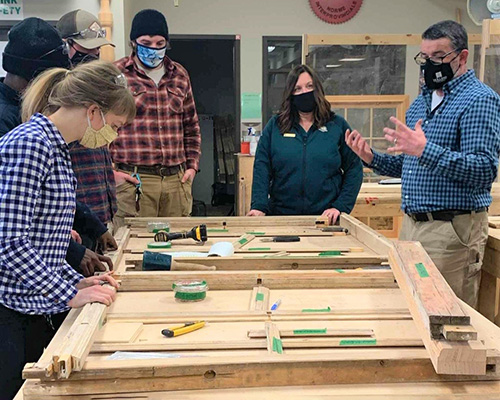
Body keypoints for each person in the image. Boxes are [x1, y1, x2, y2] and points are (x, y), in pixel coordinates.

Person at [0, 60, 135, 398]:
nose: (113, 136)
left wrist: (74, 280)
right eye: (115, 125)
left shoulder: (57, 149)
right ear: (93, 112)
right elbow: (10, 242)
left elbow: (46, 239)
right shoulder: (31, 145)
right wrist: (69, 294)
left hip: (35, 306)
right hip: (10, 316)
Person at [345, 20, 500, 308]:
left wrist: (426, 150)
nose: (430, 64)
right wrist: (371, 157)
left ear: (462, 57)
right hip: (412, 226)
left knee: (449, 315)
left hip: (452, 230)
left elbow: (483, 170)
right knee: (411, 306)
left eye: (438, 57)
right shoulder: (421, 103)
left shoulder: (479, 100)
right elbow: (409, 165)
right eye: (425, 58)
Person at [0, 17, 113, 276]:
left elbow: (51, 195)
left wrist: (93, 226)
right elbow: (12, 230)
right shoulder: (18, 130)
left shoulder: (38, 119)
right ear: (41, 76)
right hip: (19, 284)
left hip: (44, 269)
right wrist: (71, 254)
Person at [111, 9, 201, 227]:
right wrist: (110, 172)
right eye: (146, 42)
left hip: (176, 180)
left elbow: (191, 125)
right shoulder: (116, 74)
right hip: (133, 180)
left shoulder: (180, 74)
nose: (153, 48)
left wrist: (192, 167)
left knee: (178, 245)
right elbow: (100, 129)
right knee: (132, 249)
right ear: (133, 42)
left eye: (160, 43)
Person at [248, 64, 363, 224]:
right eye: (298, 89)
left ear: (318, 89)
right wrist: (259, 205)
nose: (305, 93)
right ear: (291, 94)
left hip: (325, 219)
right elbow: (262, 167)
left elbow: (354, 168)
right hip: (281, 217)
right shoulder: (276, 126)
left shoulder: (337, 126)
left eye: (310, 86)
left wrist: (340, 206)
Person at [57, 10, 119, 248]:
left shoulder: (95, 91)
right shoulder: (60, 98)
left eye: (97, 50)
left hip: (99, 212)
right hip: (73, 222)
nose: (93, 55)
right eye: (86, 50)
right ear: (66, 46)